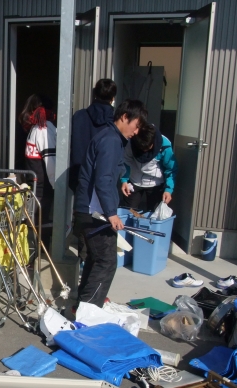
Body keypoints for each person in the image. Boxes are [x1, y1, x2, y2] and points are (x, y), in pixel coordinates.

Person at [73, 99, 147, 309]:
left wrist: (122, 182)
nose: (136, 132)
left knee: (96, 259)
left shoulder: (110, 137)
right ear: (125, 117)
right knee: (106, 261)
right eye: (136, 126)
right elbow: (103, 179)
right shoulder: (111, 140)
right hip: (95, 212)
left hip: (90, 209)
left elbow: (109, 171)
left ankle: (82, 307)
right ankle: (88, 311)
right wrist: (111, 213)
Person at [70, 78, 117, 263]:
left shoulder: (79, 116)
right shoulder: (113, 122)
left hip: (79, 173)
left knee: (83, 220)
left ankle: (83, 259)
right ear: (112, 98)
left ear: (94, 94)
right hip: (101, 177)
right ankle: (93, 260)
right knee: (99, 221)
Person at [20, 94, 56, 248]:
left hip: (38, 186)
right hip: (43, 187)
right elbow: (51, 162)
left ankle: (36, 251)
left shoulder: (38, 128)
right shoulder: (43, 129)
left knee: (36, 221)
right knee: (41, 222)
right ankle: (38, 253)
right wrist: (57, 185)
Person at [120, 123, 177, 211]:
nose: (144, 150)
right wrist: (124, 180)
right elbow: (126, 162)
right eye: (141, 149)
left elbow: (170, 169)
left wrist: (168, 190)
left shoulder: (165, 145)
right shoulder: (130, 143)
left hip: (155, 183)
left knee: (154, 213)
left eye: (147, 148)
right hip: (134, 180)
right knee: (129, 211)